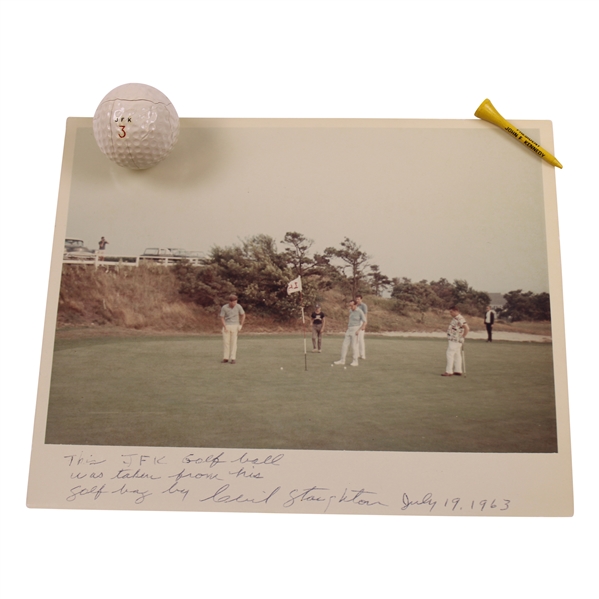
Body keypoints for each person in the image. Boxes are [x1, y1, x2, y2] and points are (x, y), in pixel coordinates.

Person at [334, 300, 367, 367]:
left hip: (356, 329)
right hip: (349, 329)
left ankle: (355, 361)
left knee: (354, 346)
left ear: (355, 305)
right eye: (350, 305)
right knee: (344, 345)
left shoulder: (360, 311)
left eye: (351, 305)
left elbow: (364, 322)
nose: (350, 307)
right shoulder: (350, 311)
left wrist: (359, 330)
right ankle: (342, 360)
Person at [442, 306, 469, 376]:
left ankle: (449, 371)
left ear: (455, 311)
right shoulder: (455, 318)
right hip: (455, 339)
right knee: (457, 355)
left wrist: (463, 336)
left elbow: (467, 328)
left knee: (450, 354)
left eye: (451, 312)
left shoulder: (460, 318)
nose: (450, 313)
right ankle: (458, 370)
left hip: (455, 340)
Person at [220, 294, 245, 364]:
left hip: (235, 326)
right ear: (230, 301)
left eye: (235, 302)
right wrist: (224, 326)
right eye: (233, 302)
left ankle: (233, 358)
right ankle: (225, 358)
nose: (234, 304)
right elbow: (222, 317)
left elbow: (243, 315)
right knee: (226, 342)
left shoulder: (238, 306)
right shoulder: (224, 307)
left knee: (234, 342)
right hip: (227, 326)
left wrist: (241, 325)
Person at [355, 294, 368, 359]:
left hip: (361, 322)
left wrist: (364, 324)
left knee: (361, 339)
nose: (357, 300)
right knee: (356, 339)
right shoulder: (355, 305)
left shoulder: (363, 305)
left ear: (361, 299)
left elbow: (365, 315)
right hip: (355, 323)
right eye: (356, 299)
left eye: (358, 299)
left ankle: (362, 354)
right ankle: (357, 354)